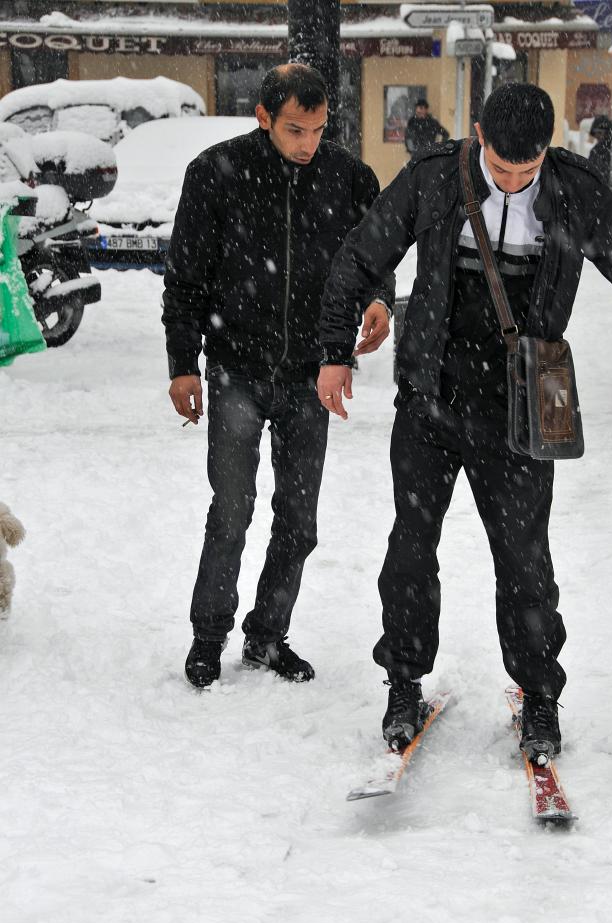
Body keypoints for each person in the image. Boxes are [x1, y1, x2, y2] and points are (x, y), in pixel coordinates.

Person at [317, 83, 612, 761]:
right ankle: (403, 682)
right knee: (411, 548)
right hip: (431, 394)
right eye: (502, 168)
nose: (514, 181)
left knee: (524, 560)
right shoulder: (434, 178)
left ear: (547, 150)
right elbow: (361, 256)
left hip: (523, 404)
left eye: (527, 169)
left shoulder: (573, 192)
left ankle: (539, 695)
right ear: (479, 135)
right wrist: (334, 352)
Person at [163, 64, 393, 688]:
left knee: (298, 520)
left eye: (318, 129)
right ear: (263, 117)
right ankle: (208, 636)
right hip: (235, 368)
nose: (308, 143)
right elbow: (185, 278)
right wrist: (183, 364)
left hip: (311, 374)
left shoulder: (349, 176)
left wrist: (379, 298)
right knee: (231, 512)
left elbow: (374, 255)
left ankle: (267, 635)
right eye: (295, 129)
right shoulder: (215, 172)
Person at [588, 114, 612, 184]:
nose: (597, 136)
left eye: (599, 132)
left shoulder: (600, 150)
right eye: (596, 133)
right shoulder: (596, 150)